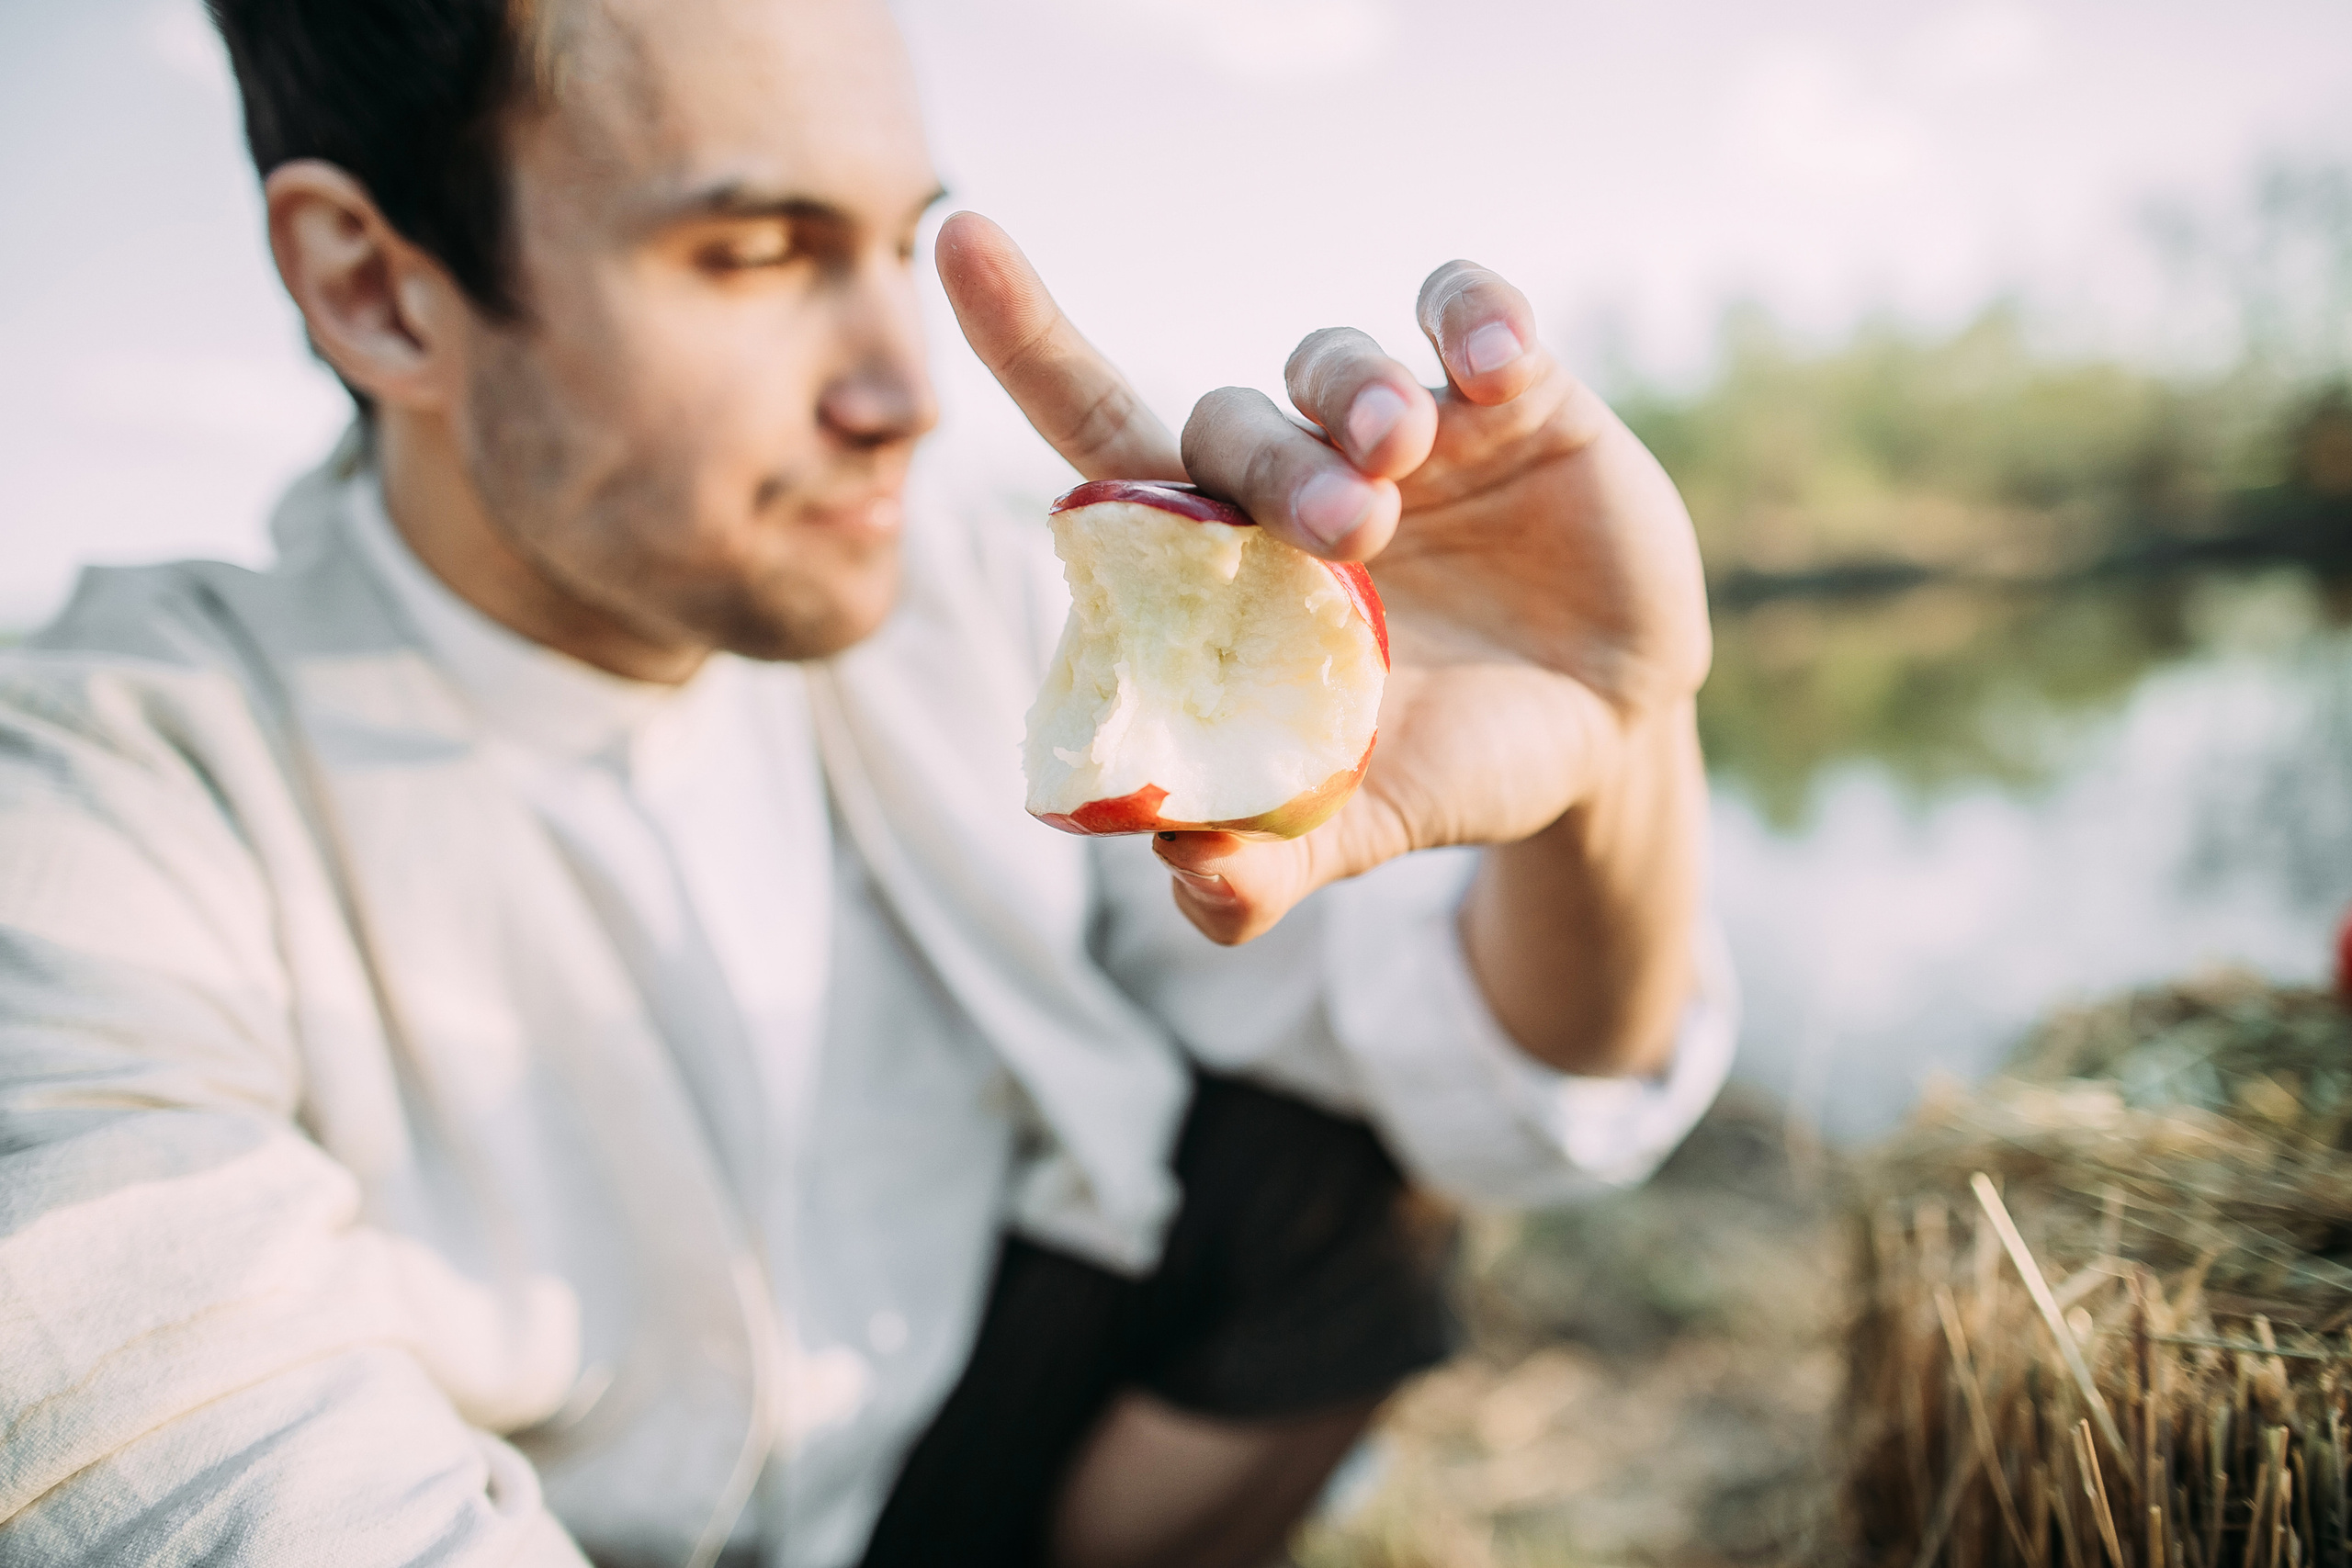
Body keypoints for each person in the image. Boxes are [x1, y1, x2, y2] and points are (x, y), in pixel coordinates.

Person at [0, 1, 1734, 1564]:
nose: (907, 390)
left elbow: (1502, 1079)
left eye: (904, 246)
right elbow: (179, 1459)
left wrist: (1613, 731)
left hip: (956, 1490)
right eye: (755, 252)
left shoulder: (975, 621)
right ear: (379, 289)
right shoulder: (100, 788)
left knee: (1319, 1170)